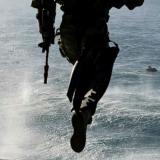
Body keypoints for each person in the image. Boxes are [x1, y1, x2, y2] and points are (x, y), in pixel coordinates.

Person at [31, 0, 144, 153]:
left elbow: (43, 3)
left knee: (87, 67)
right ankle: (85, 111)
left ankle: (82, 111)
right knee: (100, 68)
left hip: (69, 35)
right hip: (93, 29)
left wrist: (45, 32)